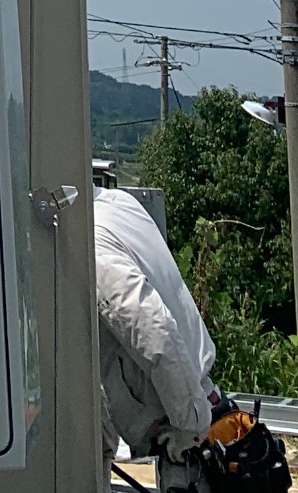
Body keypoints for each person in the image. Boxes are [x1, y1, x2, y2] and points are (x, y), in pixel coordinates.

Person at [93, 186, 217, 466]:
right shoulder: (120, 203)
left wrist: (190, 423)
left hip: (173, 417)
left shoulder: (92, 242)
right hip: (195, 391)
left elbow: (153, 331)